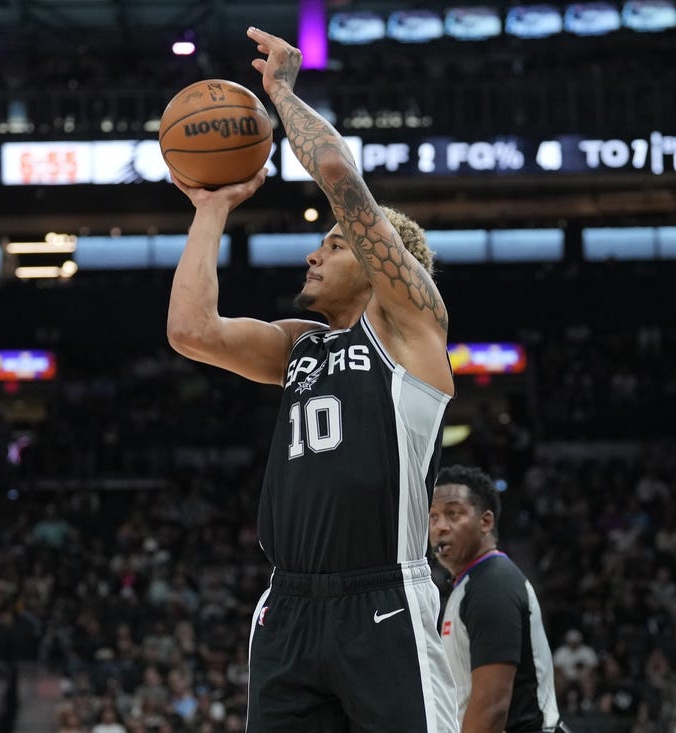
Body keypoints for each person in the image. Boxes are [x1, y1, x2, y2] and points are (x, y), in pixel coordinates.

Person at [165, 25, 458, 733]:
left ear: (377, 257)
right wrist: (209, 211)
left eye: (332, 243)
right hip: (288, 604)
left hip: (381, 595)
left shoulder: (410, 328)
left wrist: (281, 94)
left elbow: (338, 178)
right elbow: (191, 332)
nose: (311, 254)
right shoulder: (301, 347)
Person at [429, 465, 564, 733]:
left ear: (486, 522)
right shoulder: (470, 584)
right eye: (432, 517)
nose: (440, 527)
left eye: (453, 514)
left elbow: (491, 710)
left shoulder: (492, 585)